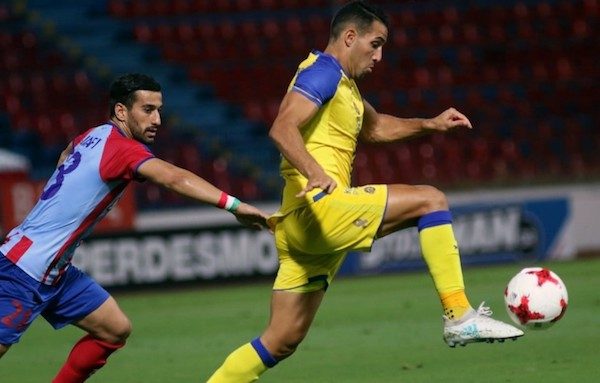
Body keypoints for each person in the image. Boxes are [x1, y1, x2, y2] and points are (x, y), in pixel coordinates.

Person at [206, 1, 523, 381]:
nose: (379, 56)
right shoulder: (322, 71)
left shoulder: (344, 87)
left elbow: (376, 128)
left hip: (297, 227)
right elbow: (282, 127)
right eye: (375, 44)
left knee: (280, 340)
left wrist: (431, 124)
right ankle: (458, 314)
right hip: (319, 210)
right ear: (350, 37)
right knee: (430, 200)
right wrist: (314, 171)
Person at [0, 73, 269, 382]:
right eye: (147, 109)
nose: (157, 119)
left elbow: (67, 153)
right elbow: (172, 177)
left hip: (54, 270)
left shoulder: (94, 135)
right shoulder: (122, 148)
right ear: (121, 112)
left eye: (158, 109)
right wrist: (235, 206)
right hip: (23, 269)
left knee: (114, 330)